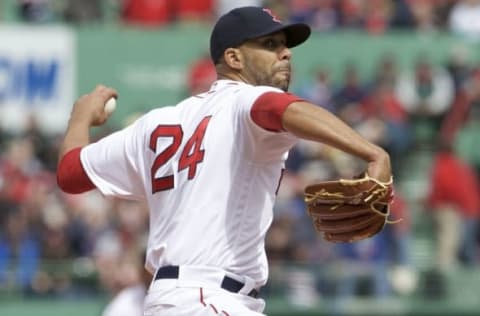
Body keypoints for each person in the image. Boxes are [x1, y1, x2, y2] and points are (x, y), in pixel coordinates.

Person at [56, 6, 392, 315]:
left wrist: (79, 119)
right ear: (233, 58)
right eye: (271, 44)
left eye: (284, 45)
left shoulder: (155, 123)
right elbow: (281, 108)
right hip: (206, 298)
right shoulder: (245, 101)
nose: (285, 53)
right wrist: (372, 152)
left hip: (181, 299)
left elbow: (70, 172)